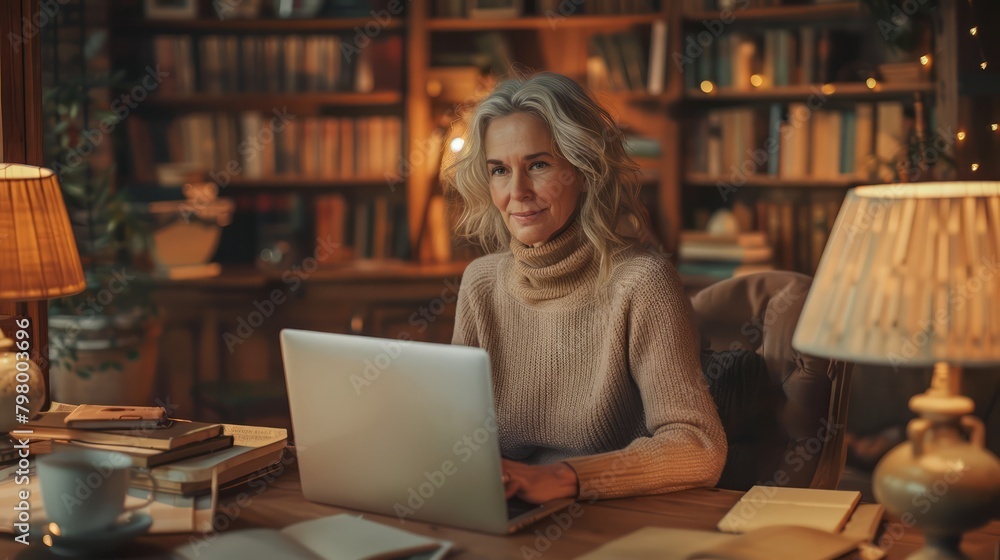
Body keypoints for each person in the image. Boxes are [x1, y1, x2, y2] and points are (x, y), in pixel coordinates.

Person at [446, 72, 727, 504]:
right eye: (500, 170)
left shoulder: (641, 282)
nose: (517, 192)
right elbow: (455, 432)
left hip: (607, 516)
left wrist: (562, 478)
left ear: (583, 169)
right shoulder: (481, 283)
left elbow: (698, 447)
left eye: (538, 165)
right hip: (498, 508)